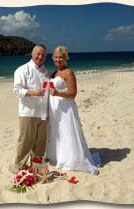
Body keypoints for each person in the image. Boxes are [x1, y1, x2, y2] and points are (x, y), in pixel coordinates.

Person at [45, 46, 99, 175]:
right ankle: (57, 156)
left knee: (67, 131)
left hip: (65, 108)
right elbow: (50, 88)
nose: (58, 59)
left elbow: (73, 93)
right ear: (53, 58)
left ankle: (72, 160)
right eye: (56, 57)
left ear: (66, 58)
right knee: (56, 132)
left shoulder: (68, 72)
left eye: (61, 57)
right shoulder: (53, 73)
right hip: (54, 109)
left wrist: (58, 93)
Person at [13, 44, 49, 174]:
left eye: (43, 55)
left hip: (43, 112)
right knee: (26, 139)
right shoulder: (22, 70)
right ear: (32, 54)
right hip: (28, 111)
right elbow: (17, 91)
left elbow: (48, 89)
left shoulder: (46, 71)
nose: (40, 57)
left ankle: (36, 165)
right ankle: (19, 165)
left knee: (40, 142)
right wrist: (33, 93)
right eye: (38, 54)